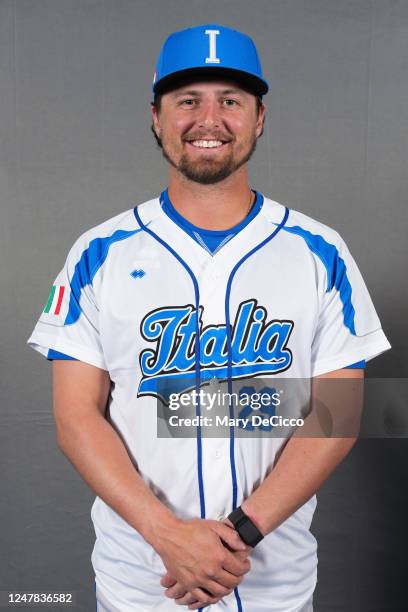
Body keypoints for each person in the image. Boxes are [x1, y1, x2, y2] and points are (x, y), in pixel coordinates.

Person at [27, 23, 391, 612]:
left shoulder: (320, 251)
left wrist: (238, 535)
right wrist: (168, 535)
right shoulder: (99, 253)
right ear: (156, 116)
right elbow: (75, 417)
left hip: (273, 575)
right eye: (187, 100)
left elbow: (340, 413)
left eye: (231, 101)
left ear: (259, 118)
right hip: (141, 578)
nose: (209, 118)